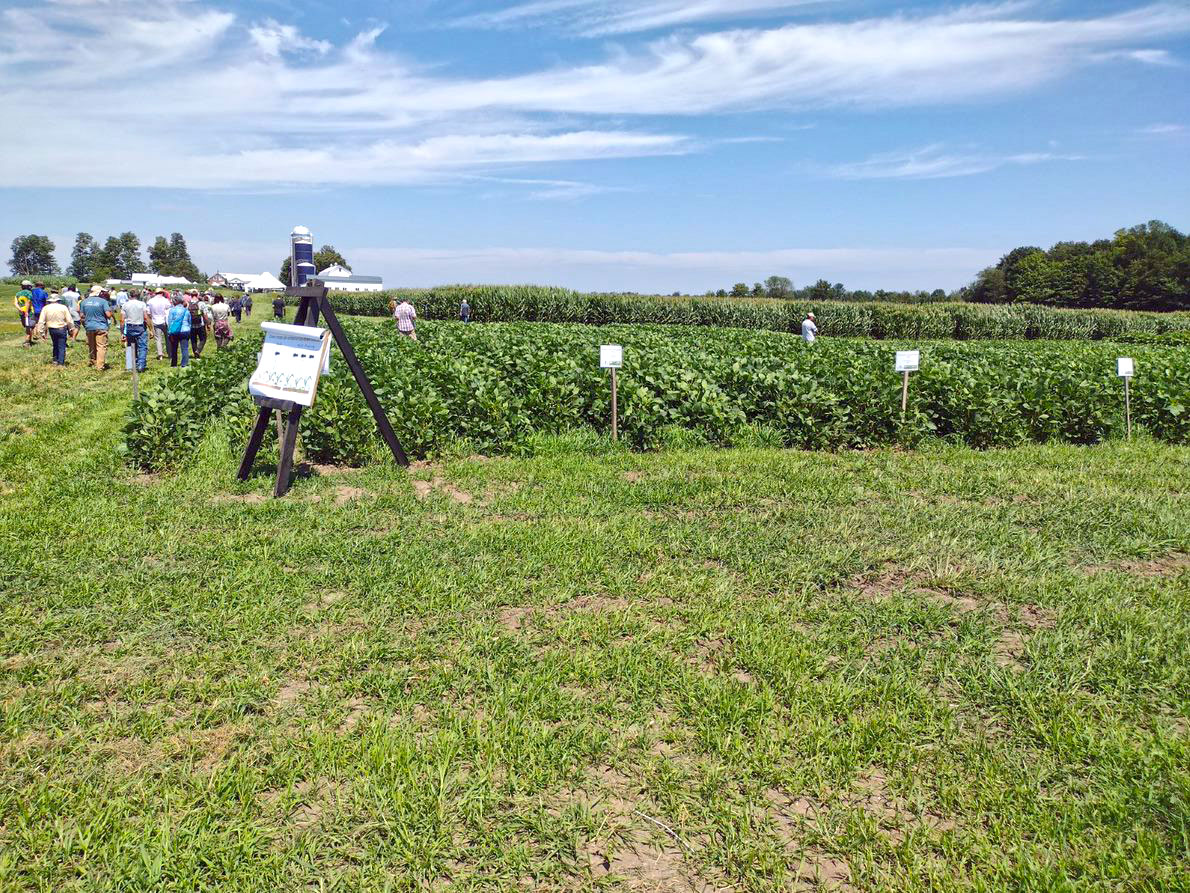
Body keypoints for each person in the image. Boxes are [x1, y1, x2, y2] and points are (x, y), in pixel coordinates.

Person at [37, 292, 77, 365]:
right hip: (61, 328)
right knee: (61, 346)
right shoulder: (63, 307)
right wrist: (72, 329)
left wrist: (41, 332)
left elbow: (41, 321)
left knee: (55, 344)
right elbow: (69, 320)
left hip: (51, 329)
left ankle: (55, 360)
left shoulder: (45, 308)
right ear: (58, 300)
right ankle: (61, 363)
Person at [79, 286, 113, 369]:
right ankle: (100, 366)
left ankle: (93, 361)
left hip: (89, 327)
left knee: (91, 345)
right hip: (101, 326)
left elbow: (81, 316)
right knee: (101, 346)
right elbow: (108, 315)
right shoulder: (103, 302)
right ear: (99, 292)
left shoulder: (84, 302)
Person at [121, 290, 150, 372]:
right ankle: (141, 365)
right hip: (140, 326)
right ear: (138, 295)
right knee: (142, 347)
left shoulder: (125, 305)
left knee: (130, 346)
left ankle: (130, 366)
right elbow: (145, 317)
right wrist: (151, 329)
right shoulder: (142, 304)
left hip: (130, 327)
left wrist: (122, 332)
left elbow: (122, 320)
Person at [166, 295, 192, 367]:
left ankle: (174, 364)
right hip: (185, 330)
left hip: (175, 331)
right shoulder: (186, 311)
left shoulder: (172, 310)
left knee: (174, 348)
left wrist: (169, 331)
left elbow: (169, 322)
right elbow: (190, 322)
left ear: (175, 302)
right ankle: (184, 364)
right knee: (185, 348)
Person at [147, 289, 171, 361]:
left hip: (155, 320)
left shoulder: (151, 301)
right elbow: (169, 309)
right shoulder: (165, 300)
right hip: (165, 321)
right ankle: (170, 354)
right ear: (162, 293)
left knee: (158, 339)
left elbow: (148, 312)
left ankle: (160, 355)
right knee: (168, 338)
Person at [14, 280, 35, 346]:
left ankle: (29, 340)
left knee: (26, 326)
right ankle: (27, 341)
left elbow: (15, 303)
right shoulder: (29, 293)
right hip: (29, 312)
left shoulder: (17, 294)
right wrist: (26, 311)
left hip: (21, 312)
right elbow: (28, 302)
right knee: (30, 326)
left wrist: (20, 309)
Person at [188, 292, 209, 358]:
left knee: (193, 340)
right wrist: (208, 323)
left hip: (191, 325)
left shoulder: (188, 304)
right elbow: (205, 315)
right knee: (203, 339)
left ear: (191, 296)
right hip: (200, 324)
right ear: (197, 295)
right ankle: (198, 350)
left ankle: (196, 355)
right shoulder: (201, 304)